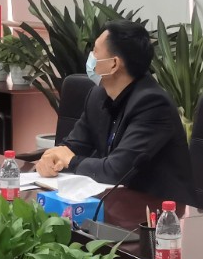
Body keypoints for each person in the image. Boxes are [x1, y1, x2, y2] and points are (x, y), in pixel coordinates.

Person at [34, 19, 193, 205]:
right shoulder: (97, 95)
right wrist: (52, 158)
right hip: (115, 201)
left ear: (114, 64)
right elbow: (73, 145)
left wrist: (71, 160)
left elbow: (116, 170)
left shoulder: (153, 104)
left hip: (156, 208)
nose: (90, 57)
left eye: (95, 51)